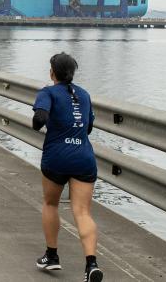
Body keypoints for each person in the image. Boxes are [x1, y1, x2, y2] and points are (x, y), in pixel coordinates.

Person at [33, 53, 103, 282]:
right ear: (72, 73)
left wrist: (40, 121)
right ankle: (91, 264)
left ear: (52, 72)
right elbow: (89, 127)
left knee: (51, 203)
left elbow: (39, 118)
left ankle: (52, 256)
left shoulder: (48, 92)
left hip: (57, 157)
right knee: (82, 212)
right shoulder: (84, 94)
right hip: (83, 157)